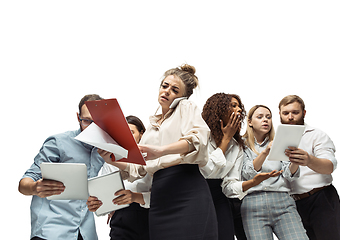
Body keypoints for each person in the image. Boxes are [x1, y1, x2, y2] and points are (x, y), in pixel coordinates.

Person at [94, 64, 218, 239]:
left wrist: (161, 151)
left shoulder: (186, 107)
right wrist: (110, 158)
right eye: (164, 86)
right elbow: (137, 169)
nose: (167, 91)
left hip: (186, 188)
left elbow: (198, 139)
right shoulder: (151, 127)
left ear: (183, 96)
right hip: (160, 197)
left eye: (175, 90)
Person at [18, 94, 105, 240]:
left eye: (98, 122)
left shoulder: (105, 150)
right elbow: (24, 183)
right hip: (52, 230)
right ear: (78, 118)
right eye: (86, 121)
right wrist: (34, 187)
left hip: (85, 232)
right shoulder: (58, 142)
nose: (92, 128)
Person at [201, 93, 282, 240]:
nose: (238, 110)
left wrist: (252, 182)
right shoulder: (202, 135)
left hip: (219, 195)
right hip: (198, 190)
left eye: (239, 107)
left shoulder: (236, 146)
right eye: (233, 106)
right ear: (218, 109)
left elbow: (229, 186)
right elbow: (207, 170)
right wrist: (225, 139)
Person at [279, 95, 340, 240]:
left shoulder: (317, 135)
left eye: (295, 112)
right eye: (285, 113)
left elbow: (329, 166)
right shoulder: (273, 140)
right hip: (291, 206)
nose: (290, 117)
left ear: (304, 113)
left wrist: (309, 160)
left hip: (321, 199)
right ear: (280, 114)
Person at [241, 105, 308, 240]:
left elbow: (289, 175)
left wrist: (295, 160)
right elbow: (247, 174)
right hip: (252, 203)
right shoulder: (240, 145)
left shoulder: (280, 142)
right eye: (260, 117)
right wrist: (265, 152)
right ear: (250, 122)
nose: (265, 120)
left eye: (268, 117)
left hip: (282, 200)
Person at [87, 115, 152, 240]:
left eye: (131, 132)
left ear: (142, 134)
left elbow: (159, 195)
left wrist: (134, 197)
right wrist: (96, 204)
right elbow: (103, 203)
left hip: (148, 219)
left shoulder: (151, 159)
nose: (127, 137)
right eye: (123, 134)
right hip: (121, 222)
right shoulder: (110, 162)